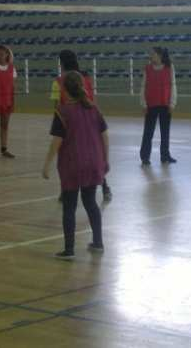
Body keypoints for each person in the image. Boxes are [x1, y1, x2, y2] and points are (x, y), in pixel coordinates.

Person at [42, 71, 109, 260]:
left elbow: (57, 141)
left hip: (72, 164)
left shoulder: (62, 112)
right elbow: (105, 136)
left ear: (64, 89)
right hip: (93, 162)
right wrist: (106, 160)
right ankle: (98, 242)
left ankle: (69, 249)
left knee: (69, 207)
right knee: (91, 203)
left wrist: (46, 164)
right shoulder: (94, 109)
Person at [51, 50, 112, 201]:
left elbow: (56, 107)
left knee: (66, 159)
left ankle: (66, 191)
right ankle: (105, 188)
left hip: (70, 126)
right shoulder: (86, 79)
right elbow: (92, 101)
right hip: (90, 123)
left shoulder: (58, 82)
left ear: (62, 63)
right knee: (95, 157)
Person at [139, 47, 178, 165]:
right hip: (151, 105)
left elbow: (173, 85)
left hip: (165, 104)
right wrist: (143, 103)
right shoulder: (147, 68)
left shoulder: (169, 67)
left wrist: (172, 102)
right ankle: (145, 157)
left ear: (160, 55)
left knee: (165, 132)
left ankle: (165, 155)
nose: (151, 56)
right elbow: (143, 86)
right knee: (148, 132)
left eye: (153, 54)